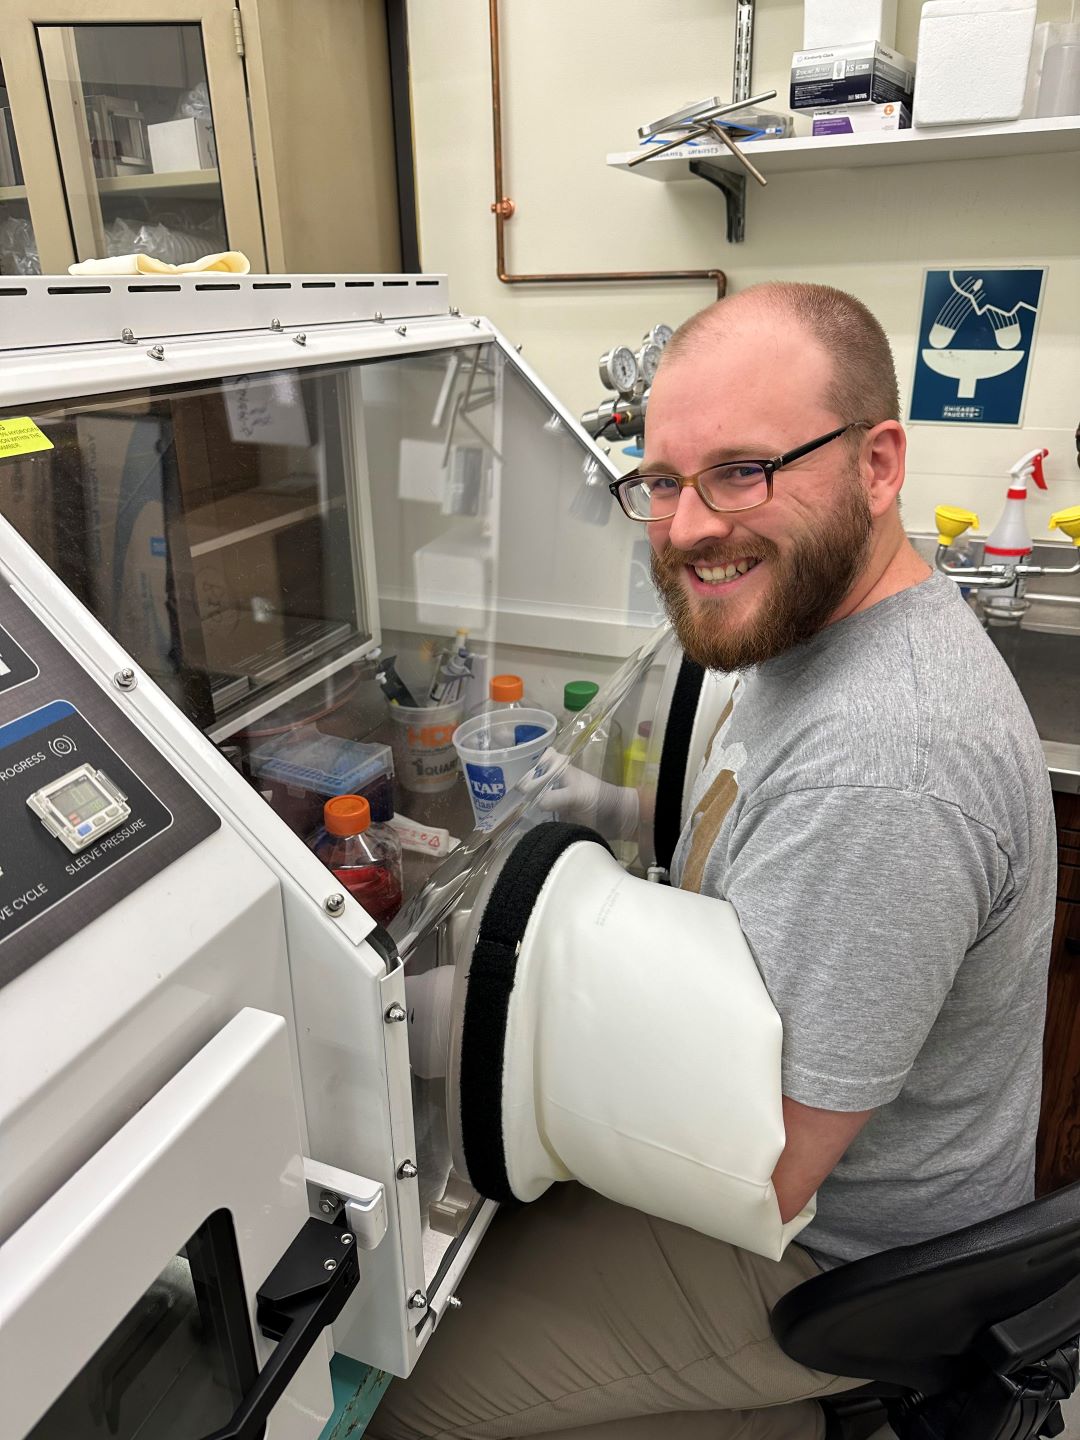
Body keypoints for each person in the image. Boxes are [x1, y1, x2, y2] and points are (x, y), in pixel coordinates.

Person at [369, 283, 1057, 1440]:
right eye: (662, 480)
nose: (689, 526)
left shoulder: (888, 763)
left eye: (746, 470)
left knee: (400, 1391)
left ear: (879, 464)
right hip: (824, 1198)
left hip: (828, 1260)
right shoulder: (829, 631)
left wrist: (461, 1030)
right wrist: (601, 804)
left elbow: (767, 1168)